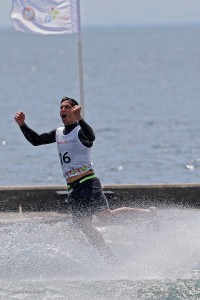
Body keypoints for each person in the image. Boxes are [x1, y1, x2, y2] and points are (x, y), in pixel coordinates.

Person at [14, 96, 156, 263]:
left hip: (88, 182)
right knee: (85, 226)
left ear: (75, 110)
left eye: (66, 107)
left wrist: (80, 118)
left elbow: (92, 136)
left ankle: (149, 213)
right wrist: (22, 125)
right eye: (61, 107)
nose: (62, 110)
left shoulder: (81, 132)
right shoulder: (59, 133)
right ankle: (109, 258)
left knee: (106, 216)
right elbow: (36, 141)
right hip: (73, 188)